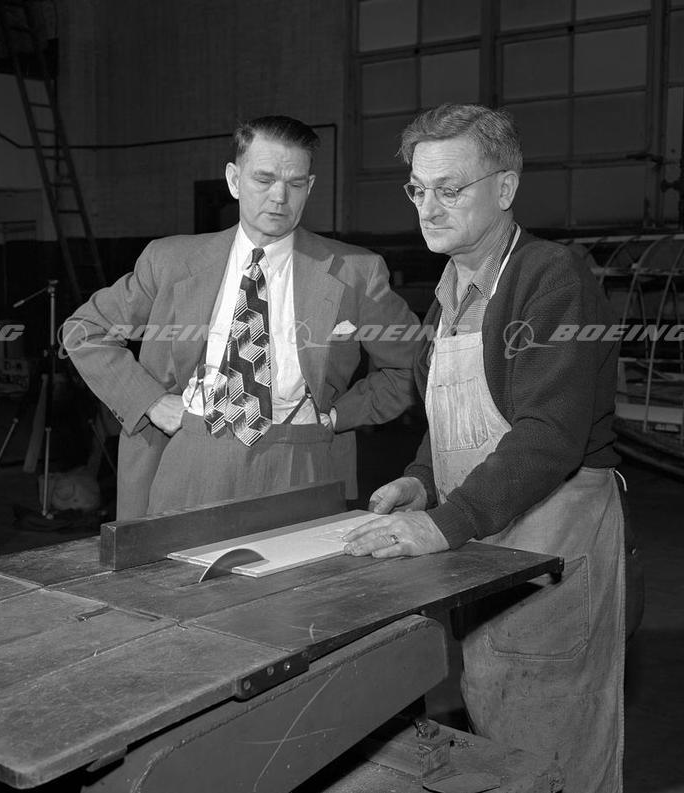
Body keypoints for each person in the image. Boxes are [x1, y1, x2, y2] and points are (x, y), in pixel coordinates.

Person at [344, 104, 625, 793]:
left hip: (551, 535)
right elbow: (450, 418)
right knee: (497, 717)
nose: (428, 208)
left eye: (450, 189)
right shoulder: (449, 294)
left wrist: (446, 521)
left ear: (505, 188)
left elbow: (549, 435)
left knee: (551, 745)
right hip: (485, 536)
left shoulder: (550, 277)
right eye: (418, 189)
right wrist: (421, 479)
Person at [64, 115, 421, 519]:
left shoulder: (356, 272)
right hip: (188, 454)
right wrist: (150, 401)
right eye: (264, 179)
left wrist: (341, 415)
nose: (280, 197)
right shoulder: (170, 261)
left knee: (298, 563)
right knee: (177, 563)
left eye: (295, 183)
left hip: (301, 461)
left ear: (310, 187)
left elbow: (414, 365)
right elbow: (84, 331)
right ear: (234, 180)